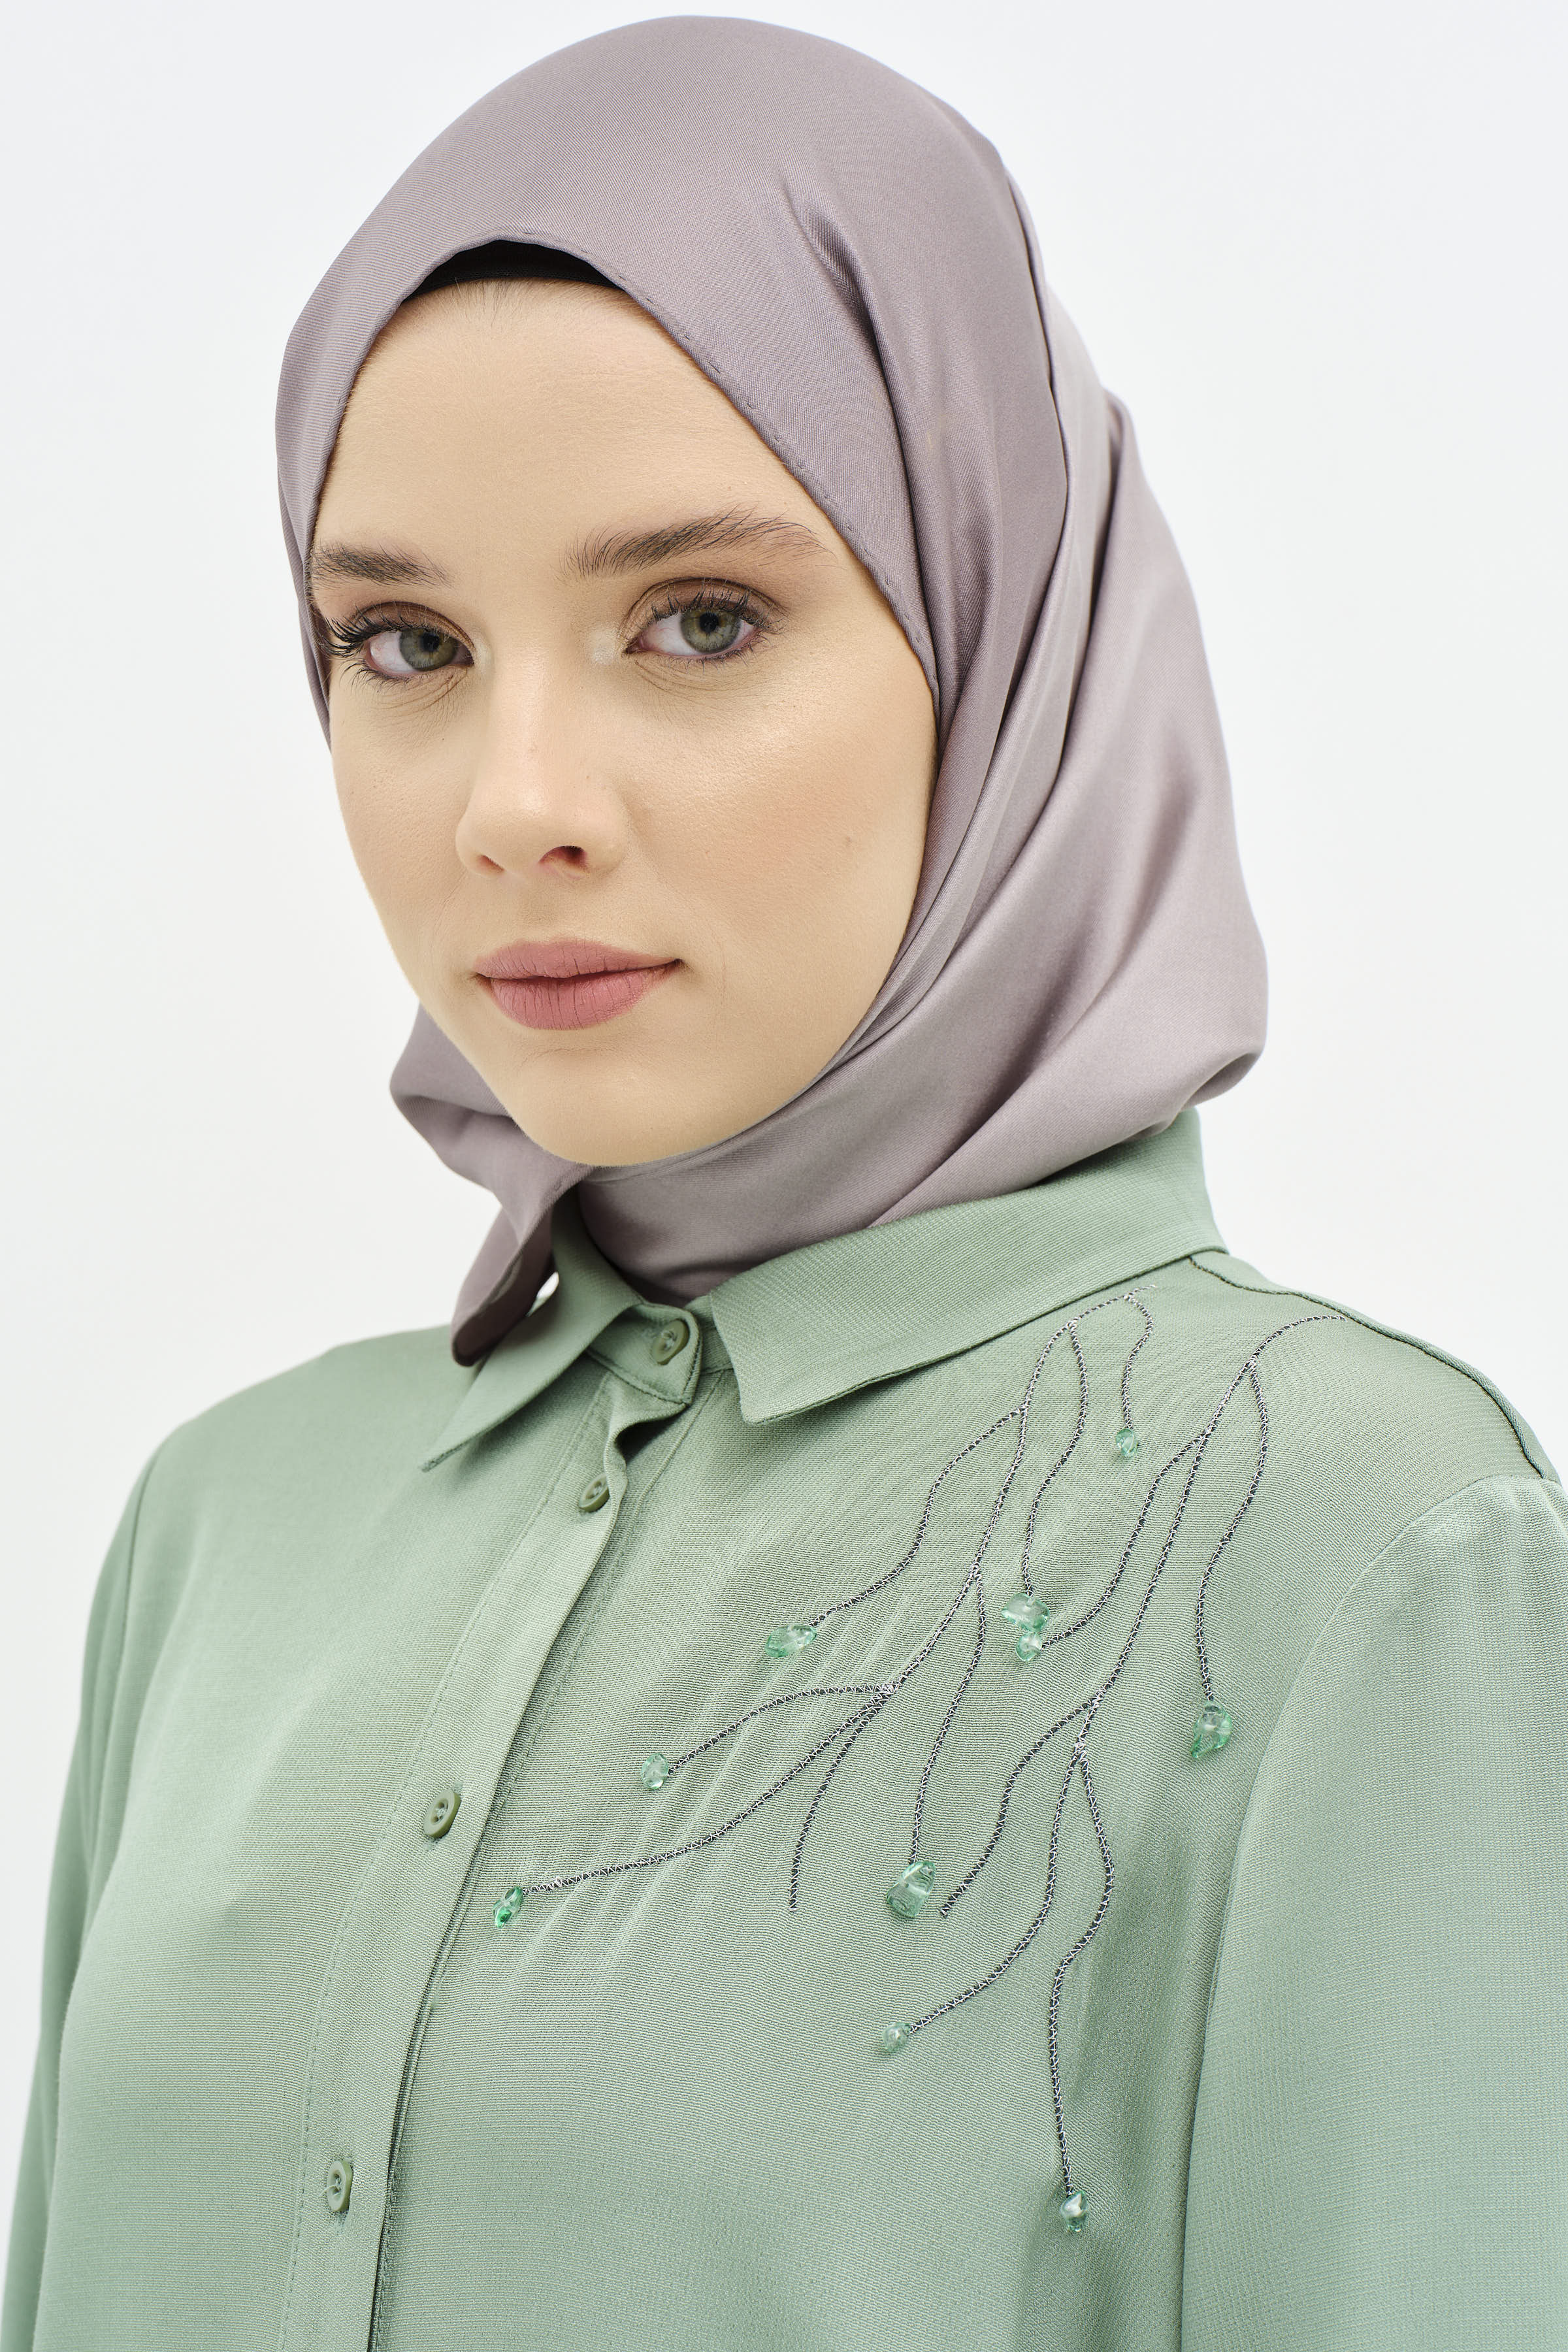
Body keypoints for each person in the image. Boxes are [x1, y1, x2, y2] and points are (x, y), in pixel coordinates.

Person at [5, 18, 1565, 2351]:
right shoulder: (230, 1520)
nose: (514, 803)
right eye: (406, 643)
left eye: (700, 621)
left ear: (1002, 635)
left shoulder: (1364, 1550)